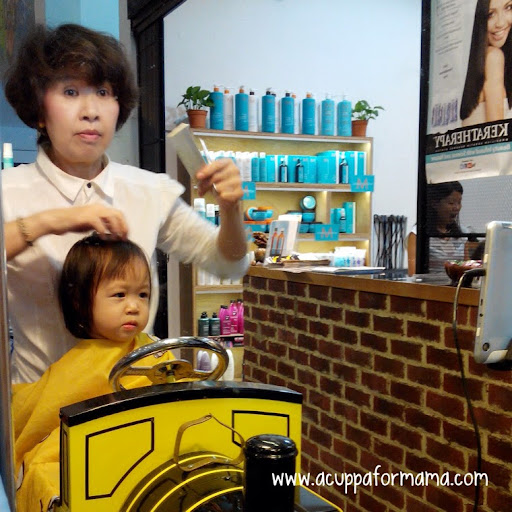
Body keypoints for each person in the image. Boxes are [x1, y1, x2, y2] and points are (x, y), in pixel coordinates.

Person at [3, 24, 248, 384]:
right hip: (42, 405)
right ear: (40, 110)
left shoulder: (148, 190)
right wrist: (51, 221)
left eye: (104, 92)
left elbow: (229, 263)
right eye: (70, 91)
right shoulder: (8, 191)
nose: (91, 111)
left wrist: (230, 210)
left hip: (132, 399)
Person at [12, 234, 174, 511]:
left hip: (155, 451)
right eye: (119, 295)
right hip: (99, 455)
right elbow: (37, 407)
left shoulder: (155, 349)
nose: (134, 306)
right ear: (80, 301)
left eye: (142, 295)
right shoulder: (77, 365)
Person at [460, 0, 512, 125]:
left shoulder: (484, 60)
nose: (500, 23)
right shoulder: (493, 57)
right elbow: (496, 129)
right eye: (490, 14)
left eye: (508, 8)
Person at [408, 181, 473, 275]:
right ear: (434, 203)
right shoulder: (417, 234)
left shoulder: (462, 233)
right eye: (451, 203)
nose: (457, 207)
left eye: (459, 202)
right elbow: (413, 273)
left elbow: (468, 267)